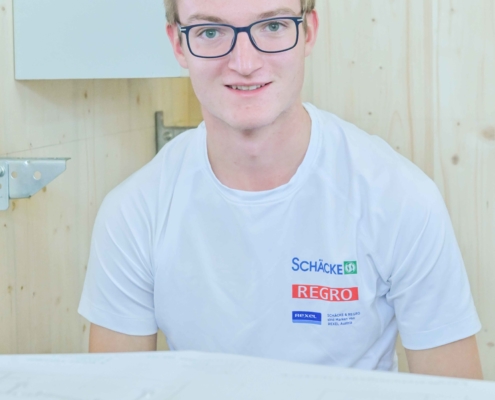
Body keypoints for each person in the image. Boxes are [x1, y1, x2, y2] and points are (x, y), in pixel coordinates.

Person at [78, 0, 484, 378]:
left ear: (308, 31)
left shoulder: (400, 198)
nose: (244, 63)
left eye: (272, 26)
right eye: (210, 32)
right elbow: (115, 388)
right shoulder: (134, 212)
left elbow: (455, 391)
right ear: (178, 45)